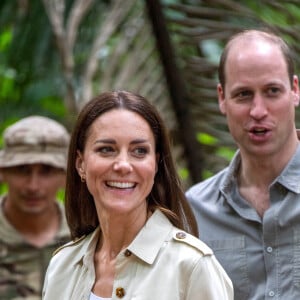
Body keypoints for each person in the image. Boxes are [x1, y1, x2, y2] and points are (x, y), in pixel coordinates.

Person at [42, 91, 233, 300]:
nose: (123, 165)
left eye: (139, 151)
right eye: (106, 149)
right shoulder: (62, 266)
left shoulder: (192, 266)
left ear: (156, 164)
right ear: (81, 164)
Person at [186, 28, 300, 299]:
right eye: (243, 95)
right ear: (222, 98)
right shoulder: (195, 211)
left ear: (295, 91)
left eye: (272, 91)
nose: (258, 111)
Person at [0, 116, 71, 299]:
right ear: (3, 172)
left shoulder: (86, 234)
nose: (33, 186)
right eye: (22, 170)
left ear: (65, 176)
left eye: (46, 171)